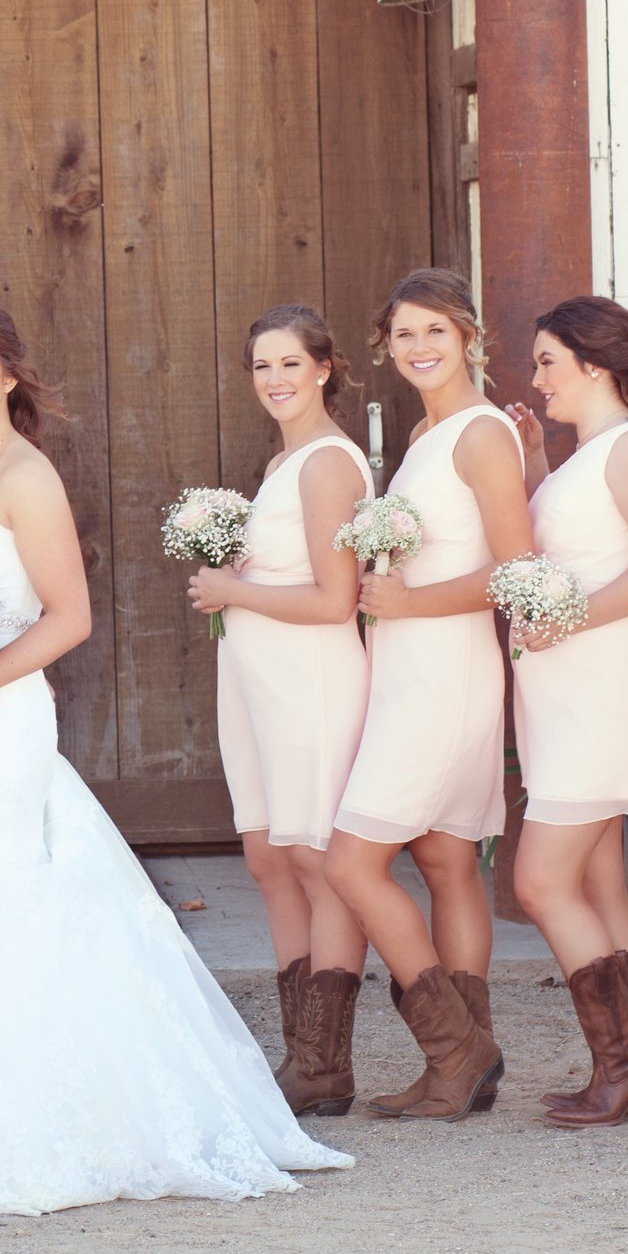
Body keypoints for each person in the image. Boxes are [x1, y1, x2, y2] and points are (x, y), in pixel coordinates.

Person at [0, 300, 352, 1216]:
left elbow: (68, 619)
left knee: (6, 896)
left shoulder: (27, 477)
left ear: (10, 377)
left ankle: (38, 1119)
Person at [324, 268, 530, 1121]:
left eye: (434, 332)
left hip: (445, 667)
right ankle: (464, 1069)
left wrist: (407, 601)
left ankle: (458, 1048)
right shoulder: (425, 434)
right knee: (446, 859)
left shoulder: (480, 434)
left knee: (351, 861)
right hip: (413, 663)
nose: (418, 347)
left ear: (470, 337)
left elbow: (520, 571)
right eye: (404, 334)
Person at [501, 298, 628, 1128]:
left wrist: (565, 620)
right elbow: (576, 549)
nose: (536, 379)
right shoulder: (588, 456)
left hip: (604, 687)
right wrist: (537, 464)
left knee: (541, 881)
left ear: (593, 363)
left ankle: (622, 1066)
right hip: (567, 692)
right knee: (602, 878)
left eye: (547, 361)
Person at [186, 306, 371, 1116]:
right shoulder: (279, 464)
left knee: (315, 858)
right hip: (255, 677)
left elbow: (338, 601)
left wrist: (232, 588)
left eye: (291, 363)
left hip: (311, 677)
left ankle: (325, 1063)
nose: (275, 380)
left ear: (324, 368)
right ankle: (301, 1049)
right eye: (262, 366)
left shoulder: (330, 463)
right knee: (268, 857)